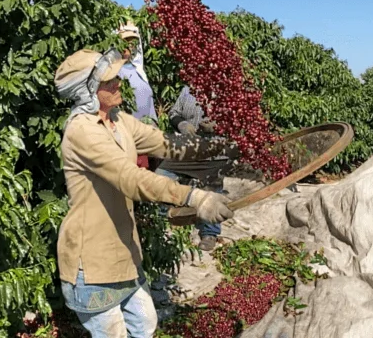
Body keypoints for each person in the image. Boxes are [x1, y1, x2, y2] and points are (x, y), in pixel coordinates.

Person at [54, 48, 234, 338]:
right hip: (92, 260)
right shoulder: (82, 131)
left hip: (124, 252)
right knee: (113, 333)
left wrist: (220, 147)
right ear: (87, 90)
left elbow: (165, 143)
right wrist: (194, 197)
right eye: (108, 81)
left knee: (146, 324)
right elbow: (131, 179)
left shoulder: (120, 121)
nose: (118, 83)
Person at [158, 85, 238, 251]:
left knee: (212, 189)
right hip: (187, 149)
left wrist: (218, 126)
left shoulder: (229, 87)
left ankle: (209, 232)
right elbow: (174, 113)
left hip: (215, 152)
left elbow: (240, 120)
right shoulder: (188, 89)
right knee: (161, 175)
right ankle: (158, 220)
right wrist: (182, 124)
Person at [117, 22, 157, 169]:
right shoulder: (115, 70)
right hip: (129, 134)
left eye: (132, 42)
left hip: (145, 130)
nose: (130, 46)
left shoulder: (137, 67)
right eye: (125, 42)